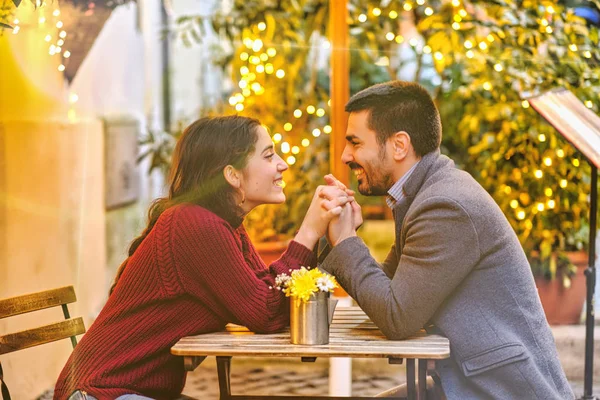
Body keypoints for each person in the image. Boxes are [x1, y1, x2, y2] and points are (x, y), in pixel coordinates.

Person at [54, 116, 350, 400]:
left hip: (132, 391)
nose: (282, 165)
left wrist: (330, 235)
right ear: (233, 175)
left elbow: (268, 295)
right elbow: (266, 311)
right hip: (101, 392)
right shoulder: (194, 225)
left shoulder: (223, 225)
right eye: (269, 155)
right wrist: (309, 231)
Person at [319, 80, 574, 399]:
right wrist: (339, 235)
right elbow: (388, 292)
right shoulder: (424, 193)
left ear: (399, 145)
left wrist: (345, 242)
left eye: (355, 143)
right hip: (467, 380)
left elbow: (397, 317)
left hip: (502, 389)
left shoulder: (444, 205)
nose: (345, 156)